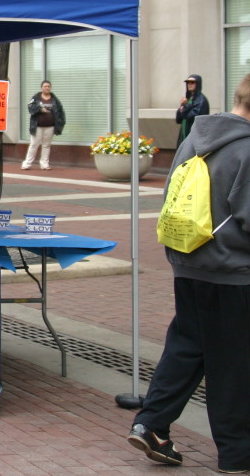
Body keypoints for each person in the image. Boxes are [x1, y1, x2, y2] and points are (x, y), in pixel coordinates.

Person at [126, 72, 250, 473]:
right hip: (234, 271)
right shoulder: (247, 150)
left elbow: (172, 196)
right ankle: (237, 455)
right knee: (233, 363)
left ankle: (151, 423)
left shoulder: (192, 139)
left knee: (186, 346)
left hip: (188, 261)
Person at [21, 80, 66, 171]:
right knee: (34, 144)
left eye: (49, 86)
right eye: (45, 86)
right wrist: (40, 109)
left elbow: (60, 111)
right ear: (41, 88)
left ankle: (44, 164)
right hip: (37, 126)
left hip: (50, 127)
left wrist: (60, 123)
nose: (47, 88)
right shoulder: (36, 98)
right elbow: (30, 108)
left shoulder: (54, 99)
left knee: (46, 145)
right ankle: (27, 164)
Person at [176, 74, 209, 147]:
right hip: (184, 133)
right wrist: (181, 108)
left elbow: (192, 115)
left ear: (198, 84)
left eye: (192, 82)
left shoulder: (201, 100)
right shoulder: (188, 99)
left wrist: (185, 106)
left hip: (194, 135)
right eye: (188, 82)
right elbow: (178, 119)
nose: (190, 84)